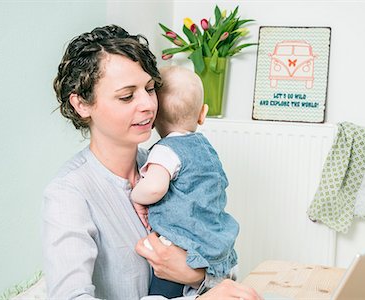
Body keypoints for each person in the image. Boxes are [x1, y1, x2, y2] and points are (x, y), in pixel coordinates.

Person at [42, 24, 260, 300]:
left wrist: (196, 276)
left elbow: (218, 259)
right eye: (127, 96)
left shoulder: (169, 167)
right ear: (81, 105)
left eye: (150, 88)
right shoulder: (68, 195)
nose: (148, 104)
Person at [130, 66, 239, 297]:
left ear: (154, 117)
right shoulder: (205, 147)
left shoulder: (165, 150)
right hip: (211, 243)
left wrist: (135, 193)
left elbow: (155, 187)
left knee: (161, 292)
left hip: (180, 244)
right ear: (202, 113)